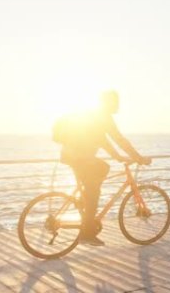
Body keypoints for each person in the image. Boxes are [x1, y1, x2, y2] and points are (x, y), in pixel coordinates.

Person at [58, 90, 150, 246]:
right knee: (94, 192)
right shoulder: (104, 118)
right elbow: (119, 139)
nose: (118, 105)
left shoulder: (93, 115)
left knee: (103, 167)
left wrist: (118, 157)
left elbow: (103, 141)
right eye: (116, 101)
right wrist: (138, 158)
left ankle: (83, 202)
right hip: (80, 158)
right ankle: (86, 234)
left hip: (70, 155)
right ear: (109, 102)